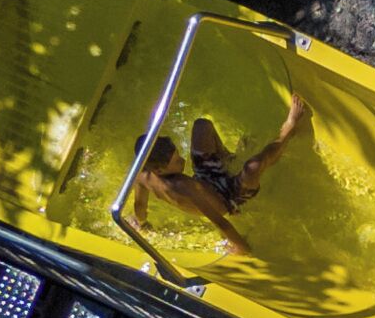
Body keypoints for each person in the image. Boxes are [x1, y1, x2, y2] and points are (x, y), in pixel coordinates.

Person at [130, 90, 309, 262]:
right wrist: (242, 247)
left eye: (178, 154)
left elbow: (140, 205)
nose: (182, 160)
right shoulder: (185, 188)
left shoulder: (142, 174)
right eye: (176, 161)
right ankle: (288, 130)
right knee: (253, 167)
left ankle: (227, 158)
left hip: (205, 179)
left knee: (201, 125)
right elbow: (219, 221)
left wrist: (141, 223)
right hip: (228, 197)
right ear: (159, 171)